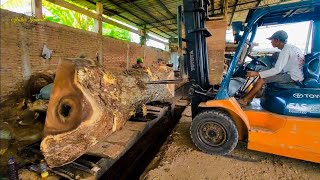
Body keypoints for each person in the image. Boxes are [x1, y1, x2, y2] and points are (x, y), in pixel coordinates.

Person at [238, 30, 305, 106]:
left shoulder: (285, 50)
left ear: (278, 40)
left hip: (292, 77)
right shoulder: (292, 48)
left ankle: (245, 100)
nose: (271, 42)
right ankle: (249, 99)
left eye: (272, 40)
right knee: (263, 75)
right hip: (295, 75)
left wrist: (256, 73)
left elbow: (277, 70)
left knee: (261, 80)